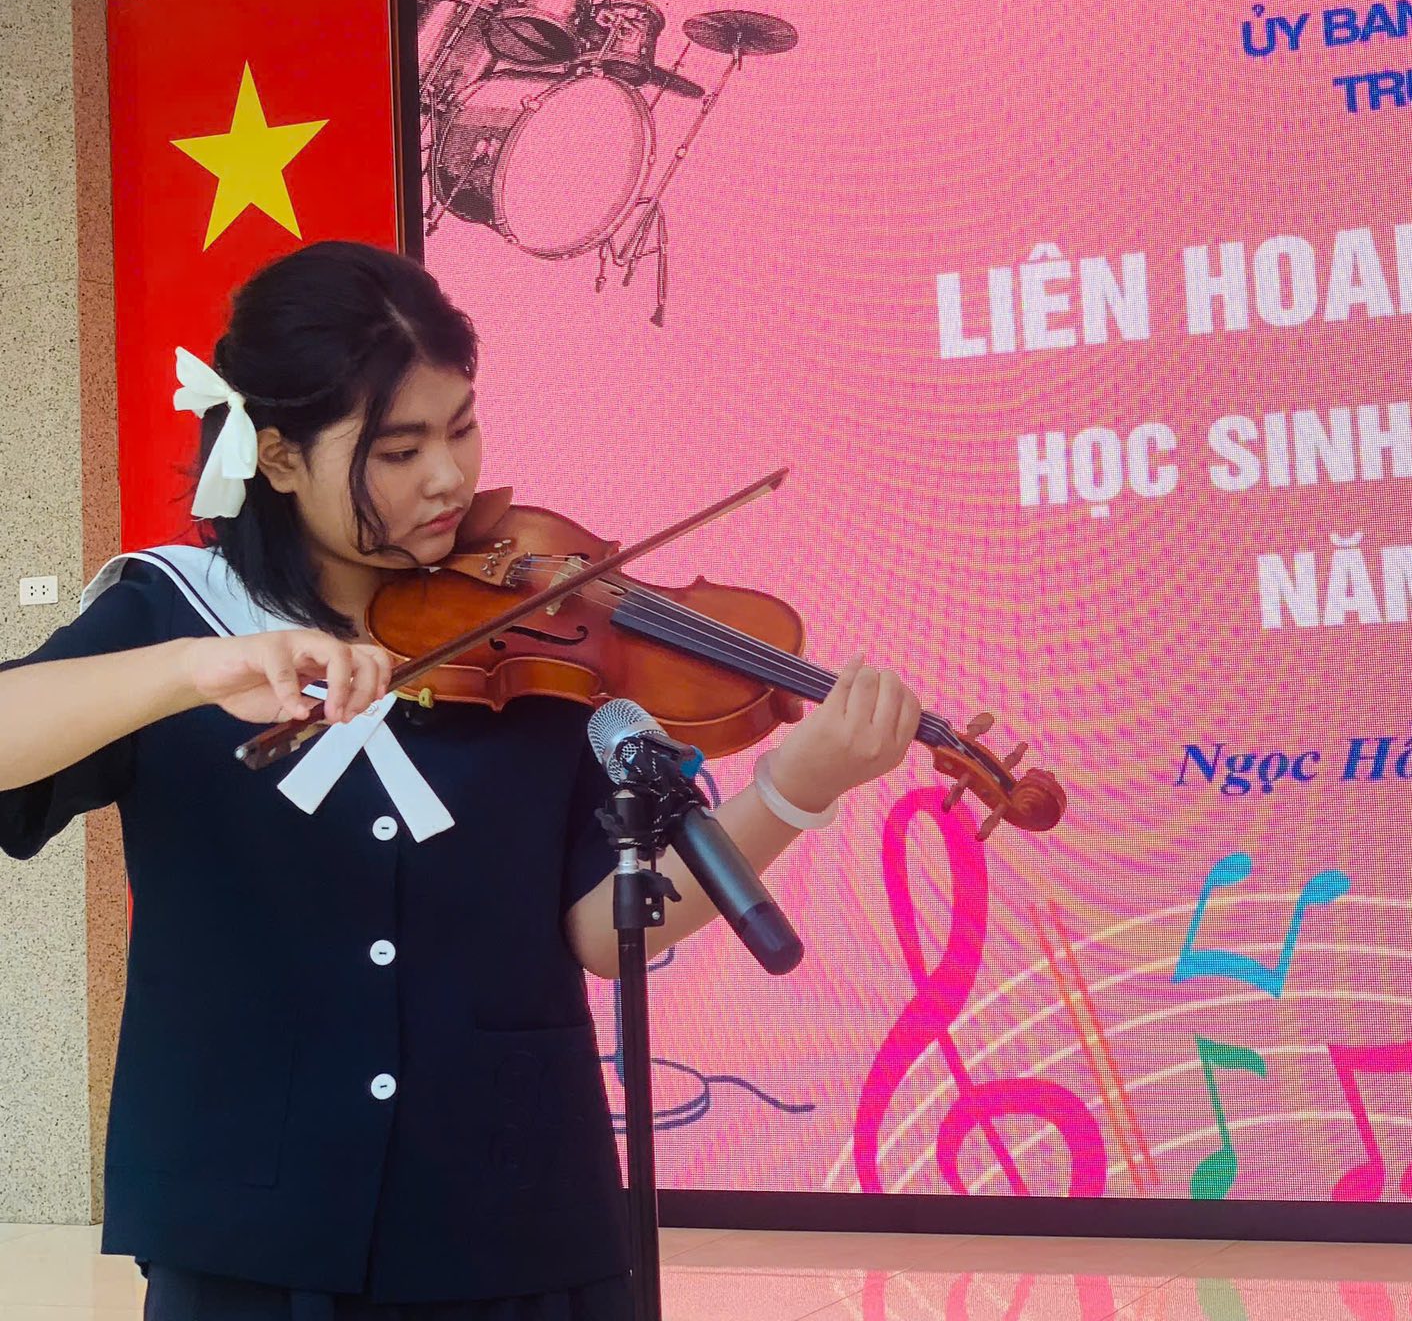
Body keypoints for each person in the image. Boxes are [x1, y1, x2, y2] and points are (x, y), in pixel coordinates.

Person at [0, 241, 923, 1321]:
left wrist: (796, 789)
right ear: (281, 458)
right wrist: (192, 670)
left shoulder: (533, 621)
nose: (448, 477)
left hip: (511, 1206)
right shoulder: (176, 610)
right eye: (399, 449)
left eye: (462, 427)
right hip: (249, 1216)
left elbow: (600, 927)